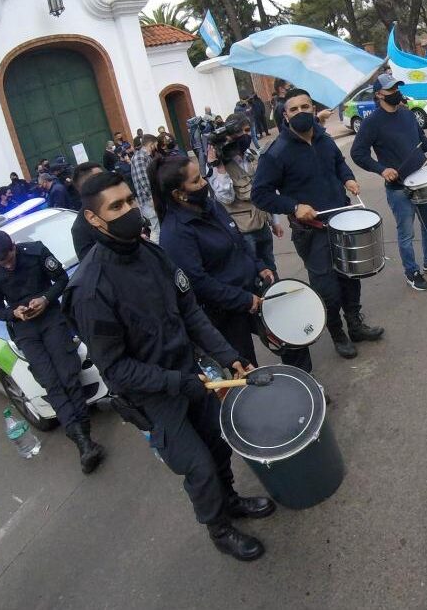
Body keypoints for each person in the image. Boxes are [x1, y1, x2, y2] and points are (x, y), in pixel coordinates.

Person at [63, 172, 274, 561]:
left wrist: (228, 356)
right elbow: (117, 370)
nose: (129, 210)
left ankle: (230, 500)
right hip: (155, 395)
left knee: (218, 444)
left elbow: (189, 312)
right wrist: (179, 382)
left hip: (191, 373)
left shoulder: (153, 253)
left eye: (130, 200)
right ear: (94, 220)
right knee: (198, 467)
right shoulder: (90, 290)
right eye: (116, 206)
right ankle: (219, 527)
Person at [252, 88, 385, 359]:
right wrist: (293, 206)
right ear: (285, 116)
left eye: (305, 107)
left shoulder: (324, 138)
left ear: (313, 108)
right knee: (327, 288)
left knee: (351, 277)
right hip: (311, 233)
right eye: (294, 109)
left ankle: (356, 325)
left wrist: (347, 178)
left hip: (343, 222)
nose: (301, 112)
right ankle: (338, 333)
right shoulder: (276, 153)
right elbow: (260, 194)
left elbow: (339, 164)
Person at [152, 153, 313, 373]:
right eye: (196, 181)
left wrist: (259, 266)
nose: (204, 183)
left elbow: (238, 240)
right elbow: (198, 282)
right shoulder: (175, 233)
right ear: (179, 194)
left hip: (253, 290)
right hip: (225, 311)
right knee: (247, 367)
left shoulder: (212, 207)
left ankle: (304, 383)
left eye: (201, 177)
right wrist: (242, 299)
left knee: (291, 337)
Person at [0, 230, 104, 473]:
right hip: (25, 330)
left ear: (14, 247)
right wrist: (13, 313)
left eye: (10, 258)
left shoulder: (35, 251)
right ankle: (83, 441)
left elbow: (61, 279)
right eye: (2, 263)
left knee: (68, 375)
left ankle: (84, 439)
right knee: (51, 382)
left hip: (51, 319)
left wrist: (46, 299)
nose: (8, 265)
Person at [351, 74, 427, 292]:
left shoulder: (407, 115)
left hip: (422, 182)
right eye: (391, 90)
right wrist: (382, 169)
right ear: (379, 95)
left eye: (397, 88)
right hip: (398, 188)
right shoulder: (371, 123)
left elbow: (422, 142)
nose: (396, 93)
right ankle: (411, 272)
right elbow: (358, 153)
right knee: (406, 234)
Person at [206, 114, 282, 277]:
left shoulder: (252, 155)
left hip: (262, 224)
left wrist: (274, 221)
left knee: (270, 266)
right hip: (242, 232)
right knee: (253, 272)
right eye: (242, 131)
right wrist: (219, 167)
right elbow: (226, 198)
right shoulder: (217, 164)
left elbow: (266, 189)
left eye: (248, 130)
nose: (246, 136)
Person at [70, 162, 105, 260]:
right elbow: (91, 265)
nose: (107, 180)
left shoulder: (119, 203)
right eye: (101, 178)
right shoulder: (80, 229)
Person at [130, 134, 160, 241]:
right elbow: (143, 179)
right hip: (148, 201)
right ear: (151, 144)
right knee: (157, 230)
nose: (156, 148)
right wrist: (152, 197)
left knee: (157, 228)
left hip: (149, 199)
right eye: (155, 145)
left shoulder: (143, 156)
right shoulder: (140, 156)